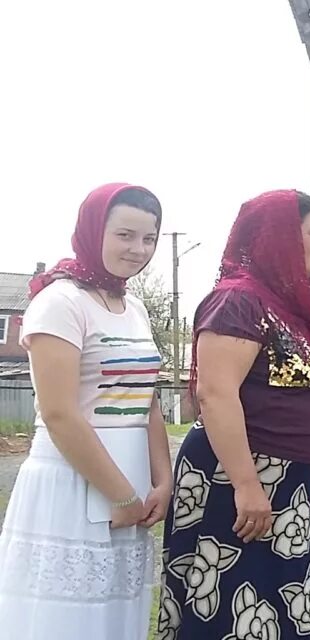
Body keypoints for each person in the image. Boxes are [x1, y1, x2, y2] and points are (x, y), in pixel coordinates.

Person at [159, 190, 310, 640]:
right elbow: (216, 394)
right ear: (279, 237)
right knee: (232, 609)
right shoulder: (239, 301)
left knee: (286, 610)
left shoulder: (297, 310)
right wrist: (246, 483)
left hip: (289, 478)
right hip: (236, 477)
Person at [0, 183, 171, 640]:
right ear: (94, 230)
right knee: (65, 620)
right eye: (125, 235)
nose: (138, 249)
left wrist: (162, 481)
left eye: (149, 238)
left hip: (130, 485)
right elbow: (58, 413)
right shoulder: (59, 302)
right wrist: (120, 496)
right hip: (73, 482)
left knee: (116, 616)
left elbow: (148, 398)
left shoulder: (133, 306)